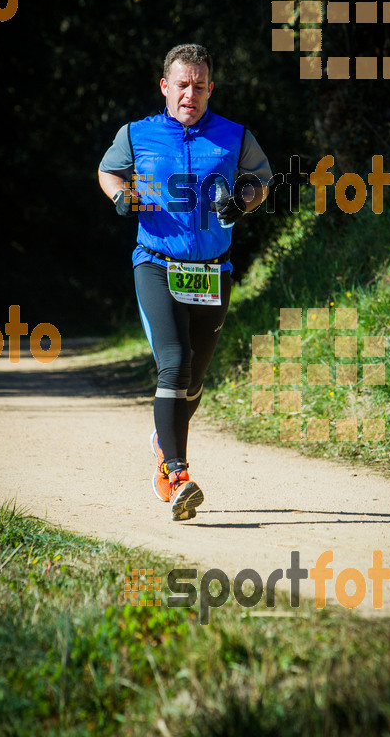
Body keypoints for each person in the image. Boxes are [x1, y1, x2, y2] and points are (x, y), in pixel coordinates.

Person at [98, 43, 271, 522]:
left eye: (199, 86)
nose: (190, 94)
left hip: (213, 271)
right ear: (165, 87)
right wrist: (120, 197)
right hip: (156, 262)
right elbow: (109, 171)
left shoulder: (234, 137)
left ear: (210, 88)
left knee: (193, 381)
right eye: (182, 85)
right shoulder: (137, 134)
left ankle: (163, 440)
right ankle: (176, 473)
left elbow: (261, 177)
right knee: (174, 362)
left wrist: (243, 199)